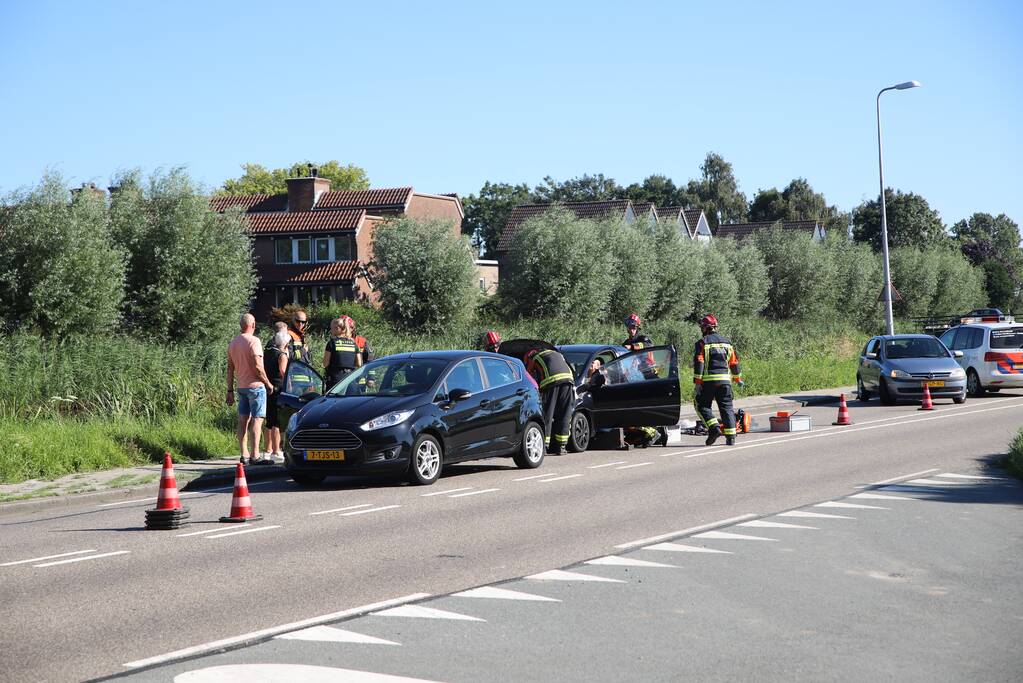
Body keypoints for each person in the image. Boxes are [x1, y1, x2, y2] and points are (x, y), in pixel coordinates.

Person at [226, 313, 276, 465]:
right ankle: (255, 455)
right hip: (256, 387)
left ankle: (244, 454)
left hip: (241, 387)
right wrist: (267, 383)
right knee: (257, 420)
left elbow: (230, 368)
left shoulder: (233, 343)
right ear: (253, 325)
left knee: (242, 421)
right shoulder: (254, 341)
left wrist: (229, 390)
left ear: (241, 325)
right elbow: (258, 367)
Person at [693, 314, 743, 446]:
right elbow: (734, 363)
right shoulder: (727, 343)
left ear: (705, 327)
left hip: (709, 382)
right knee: (727, 407)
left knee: (701, 404)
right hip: (725, 382)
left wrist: (698, 383)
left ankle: (714, 427)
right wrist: (737, 379)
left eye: (701, 327)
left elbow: (699, 362)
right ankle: (731, 436)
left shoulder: (703, 342)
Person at [525, 347, 575, 454]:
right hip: (569, 381)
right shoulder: (556, 354)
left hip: (551, 383)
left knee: (547, 414)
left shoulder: (534, 358)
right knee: (564, 414)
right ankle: (561, 447)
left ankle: (544, 446)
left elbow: (528, 376)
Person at [621, 314, 661, 447]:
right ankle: (645, 431)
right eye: (630, 327)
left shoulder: (643, 339)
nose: (632, 329)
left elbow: (647, 345)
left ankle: (656, 429)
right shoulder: (626, 343)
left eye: (634, 327)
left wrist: (631, 347)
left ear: (637, 327)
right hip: (635, 377)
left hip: (650, 375)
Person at [262, 331, 290, 463]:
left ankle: (266, 451)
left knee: (268, 421)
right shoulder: (282, 355)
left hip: (268, 388)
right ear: (285, 344)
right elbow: (283, 372)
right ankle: (276, 450)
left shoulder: (268, 352)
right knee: (277, 422)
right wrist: (290, 384)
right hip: (278, 388)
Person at [323, 316, 362, 389]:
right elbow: (359, 364)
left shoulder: (332, 343)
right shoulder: (354, 343)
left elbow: (325, 363)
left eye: (332, 328)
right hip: (350, 379)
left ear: (337, 328)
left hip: (335, 380)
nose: (331, 331)